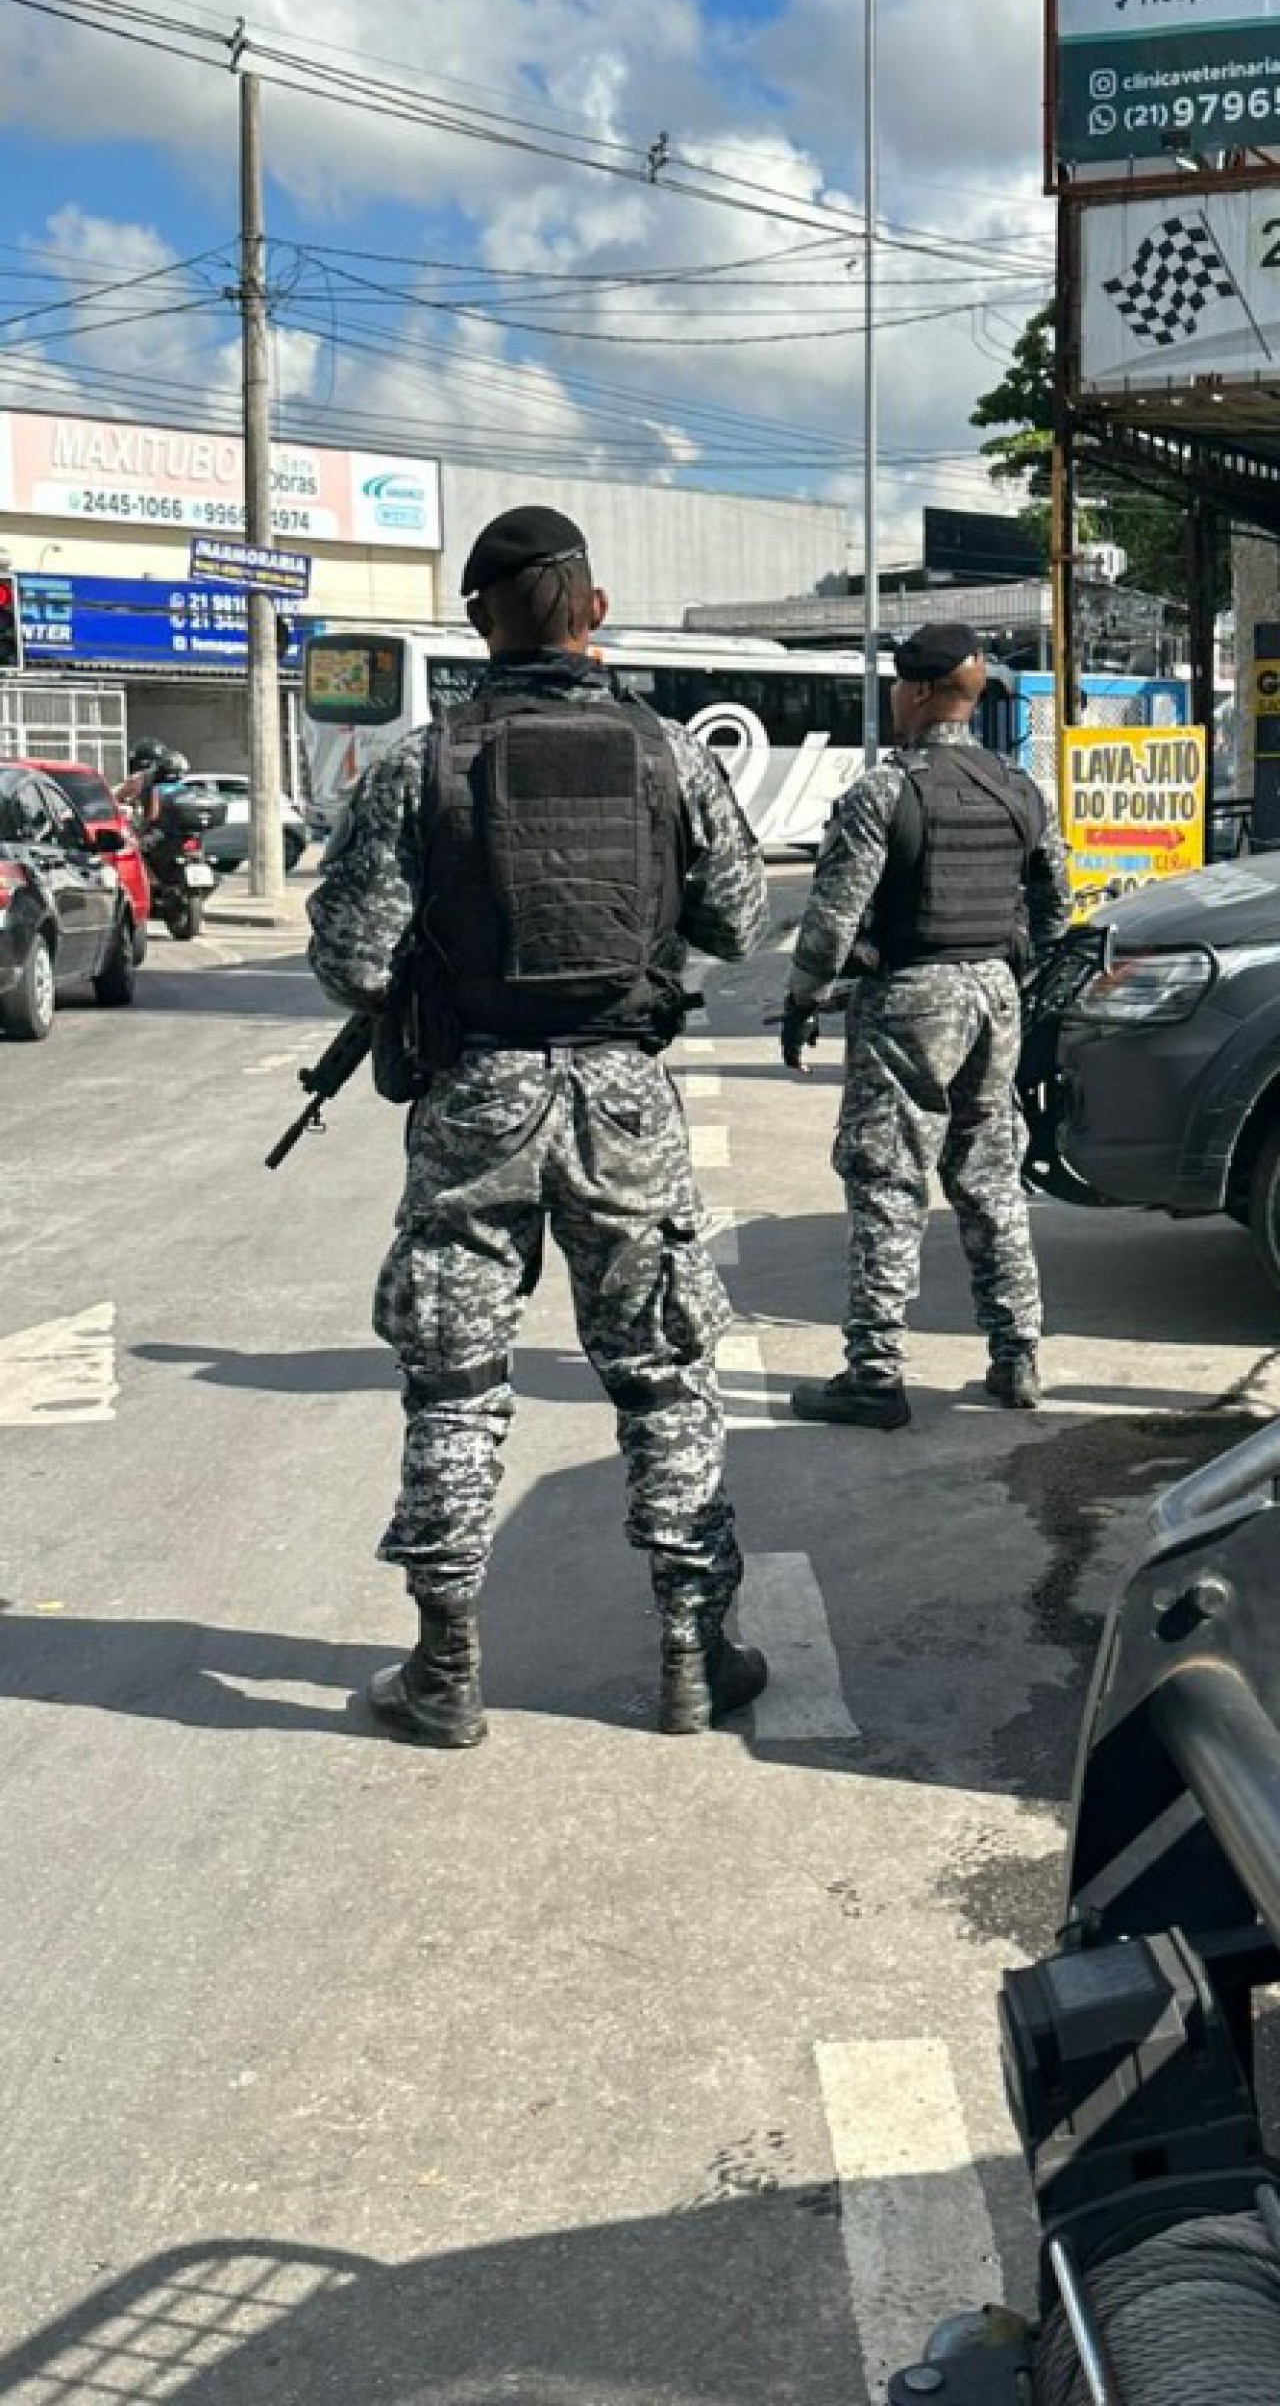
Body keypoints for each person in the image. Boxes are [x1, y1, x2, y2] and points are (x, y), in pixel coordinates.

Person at [308, 506, 771, 1745]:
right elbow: (738, 919)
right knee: (664, 1376)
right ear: (594, 611)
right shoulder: (669, 754)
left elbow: (351, 961)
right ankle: (695, 1657)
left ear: (479, 622)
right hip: (624, 1102)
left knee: (455, 1386)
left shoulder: (422, 765)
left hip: (476, 1102)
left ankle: (445, 1667)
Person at [780, 622, 1072, 1429]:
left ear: (913, 691)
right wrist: (1013, 977)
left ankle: (875, 1374)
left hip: (910, 998)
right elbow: (1056, 907)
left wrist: (804, 1000)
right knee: (990, 1178)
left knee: (888, 1182)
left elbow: (832, 922)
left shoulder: (884, 792)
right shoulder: (1018, 788)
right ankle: (1017, 1358)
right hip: (995, 997)